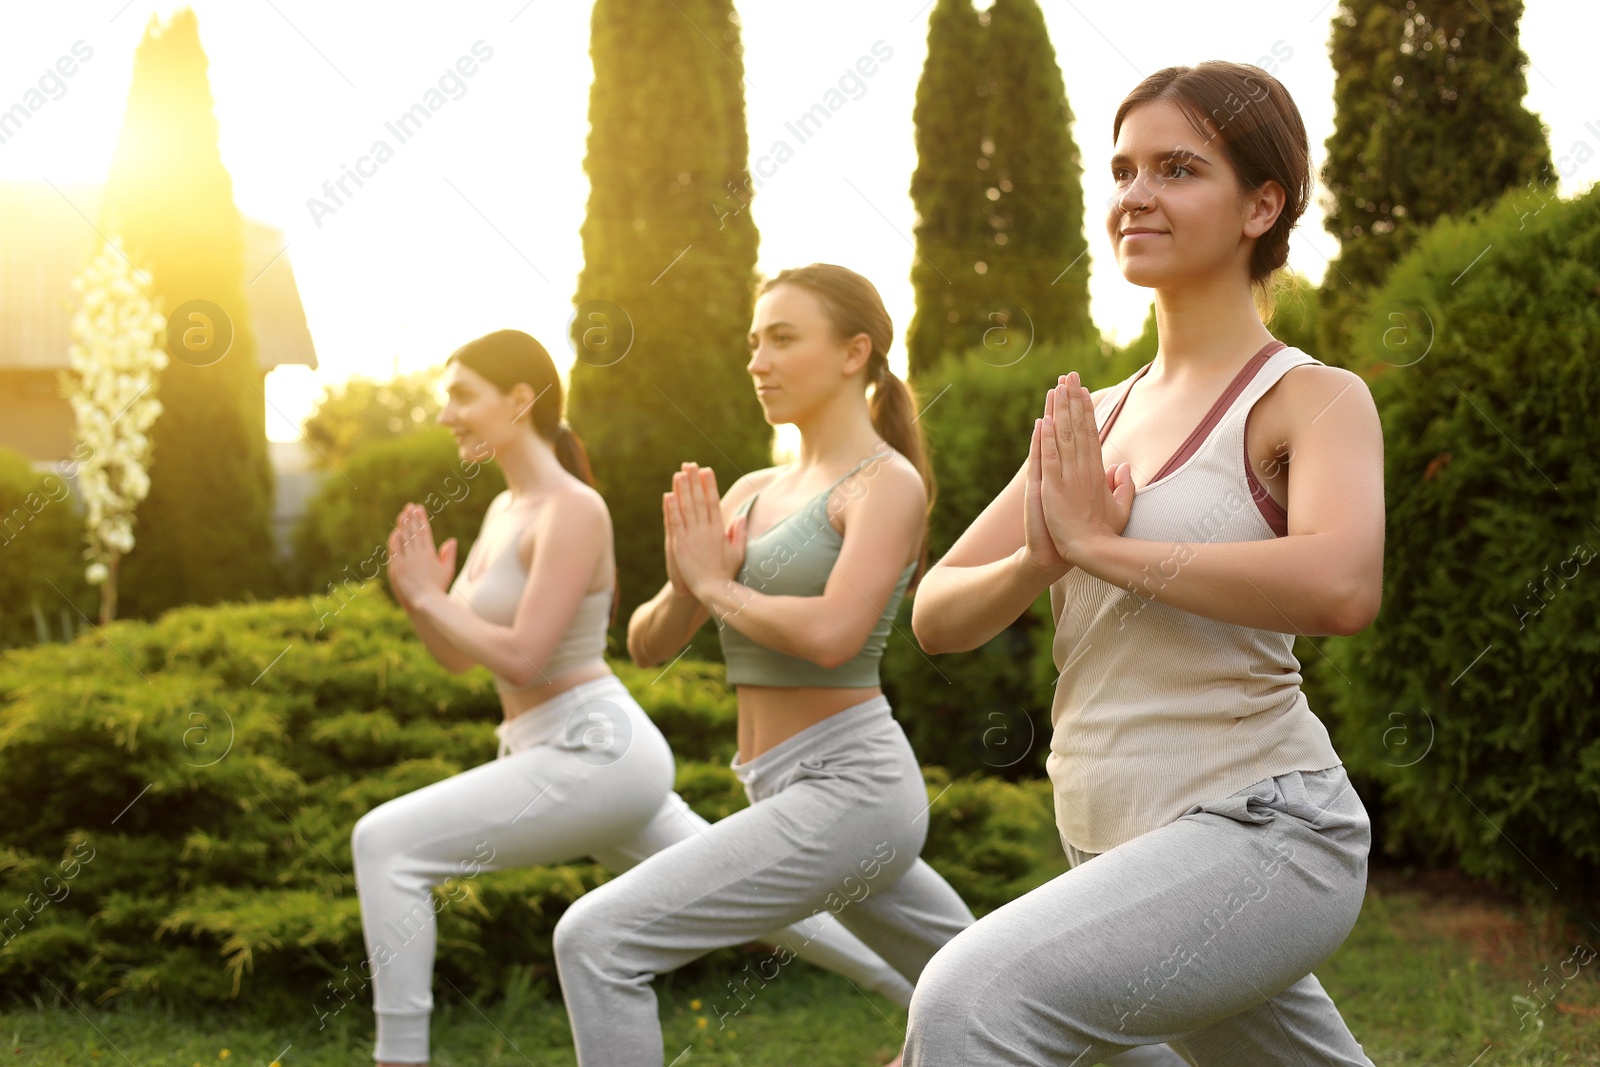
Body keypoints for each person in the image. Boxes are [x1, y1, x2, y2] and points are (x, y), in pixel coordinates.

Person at [901, 61, 1384, 1065]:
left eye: (1175, 168)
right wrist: (1041, 554)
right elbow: (937, 612)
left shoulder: (1309, 398)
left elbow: (1339, 584)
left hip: (1265, 832)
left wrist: (1105, 548)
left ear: (1262, 203)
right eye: (1121, 170)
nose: (1135, 195)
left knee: (967, 998)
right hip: (1114, 840)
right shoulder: (1095, 416)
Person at [355, 328, 915, 1066]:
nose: (444, 414)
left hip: (593, 749)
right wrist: (422, 600)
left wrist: (435, 597)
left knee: (386, 843)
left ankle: (399, 1057)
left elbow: (525, 655)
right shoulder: (500, 513)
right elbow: (461, 659)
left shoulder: (573, 508)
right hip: (559, 751)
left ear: (521, 400)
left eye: (462, 395)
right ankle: (929, 994)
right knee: (784, 913)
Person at [551, 265, 978, 1067]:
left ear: (856, 352)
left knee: (597, 939)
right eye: (754, 342)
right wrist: (686, 584)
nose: (758, 360)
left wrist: (716, 585)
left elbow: (834, 636)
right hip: (782, 783)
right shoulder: (751, 489)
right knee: (986, 979)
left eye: (783, 338)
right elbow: (647, 643)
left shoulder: (887, 484)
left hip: (853, 787)